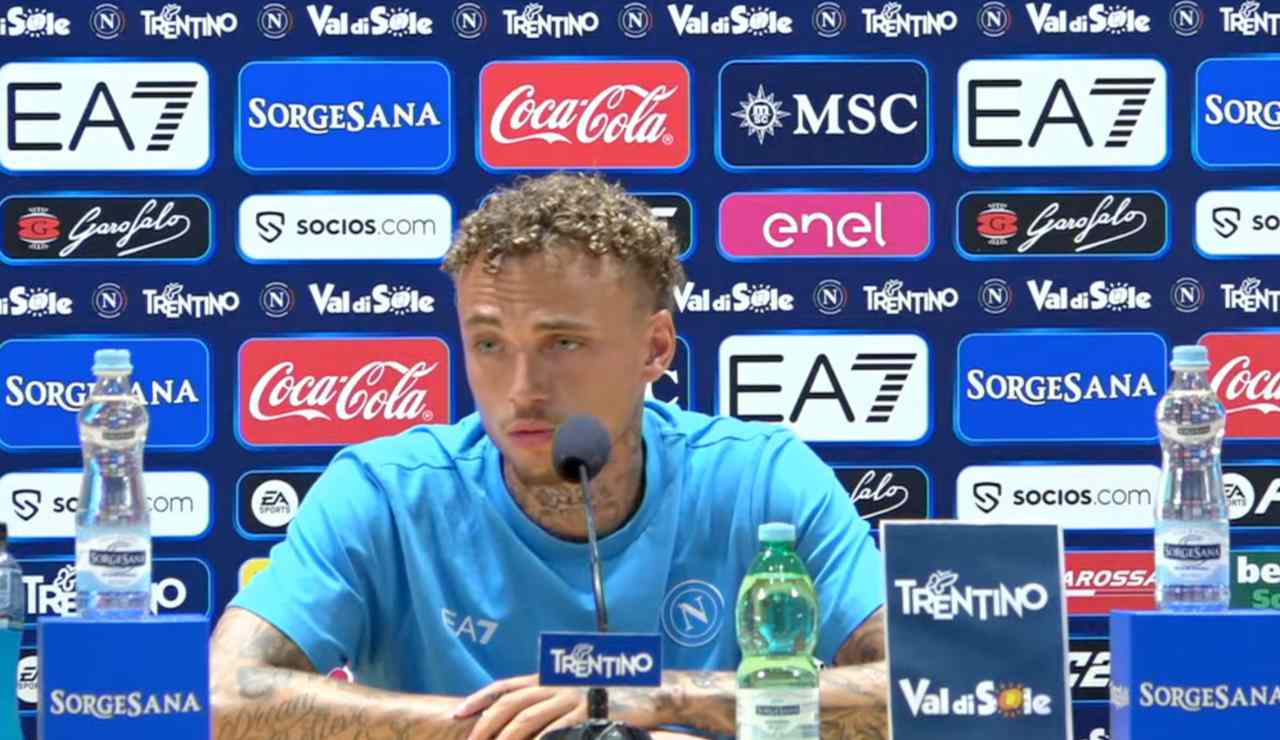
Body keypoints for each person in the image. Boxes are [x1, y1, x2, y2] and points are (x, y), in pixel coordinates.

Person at [210, 171, 889, 740]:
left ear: (655, 348)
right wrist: (522, 727)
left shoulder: (761, 480)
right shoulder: (386, 494)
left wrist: (660, 697)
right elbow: (221, 697)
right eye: (489, 344)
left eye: (563, 343)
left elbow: (920, 688)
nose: (522, 390)